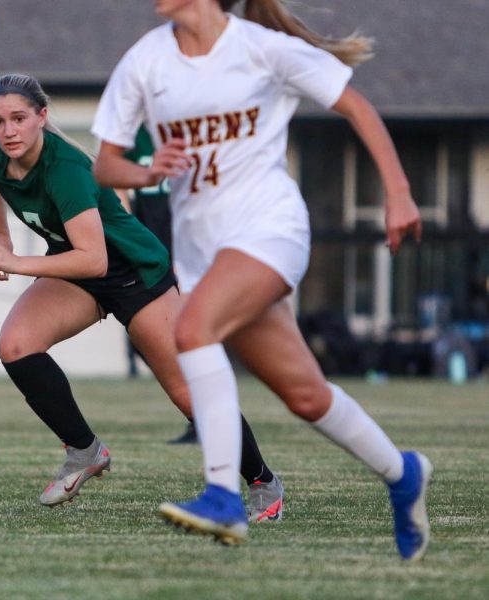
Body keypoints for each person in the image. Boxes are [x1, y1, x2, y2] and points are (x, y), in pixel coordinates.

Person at [91, 0, 430, 559]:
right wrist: (147, 171)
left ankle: (223, 495)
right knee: (305, 395)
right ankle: (403, 473)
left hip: (271, 230)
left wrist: (397, 193)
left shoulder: (261, 48)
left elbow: (359, 109)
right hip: (205, 256)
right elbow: (106, 165)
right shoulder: (145, 61)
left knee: (192, 330)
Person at [0, 73, 283, 521]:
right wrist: (3, 240)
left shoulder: (66, 168)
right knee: (16, 345)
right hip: (75, 263)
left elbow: (95, 261)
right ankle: (84, 451)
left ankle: (263, 483)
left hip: (134, 270)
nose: (8, 131)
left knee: (187, 394)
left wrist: (17, 262)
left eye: (19, 118)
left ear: (42, 116)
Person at [123, 126, 197, 445]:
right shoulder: (131, 135)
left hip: (188, 248)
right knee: (154, 340)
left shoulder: (186, 126)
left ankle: (207, 420)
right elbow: (116, 186)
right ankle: (201, 415)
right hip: (149, 252)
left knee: (192, 336)